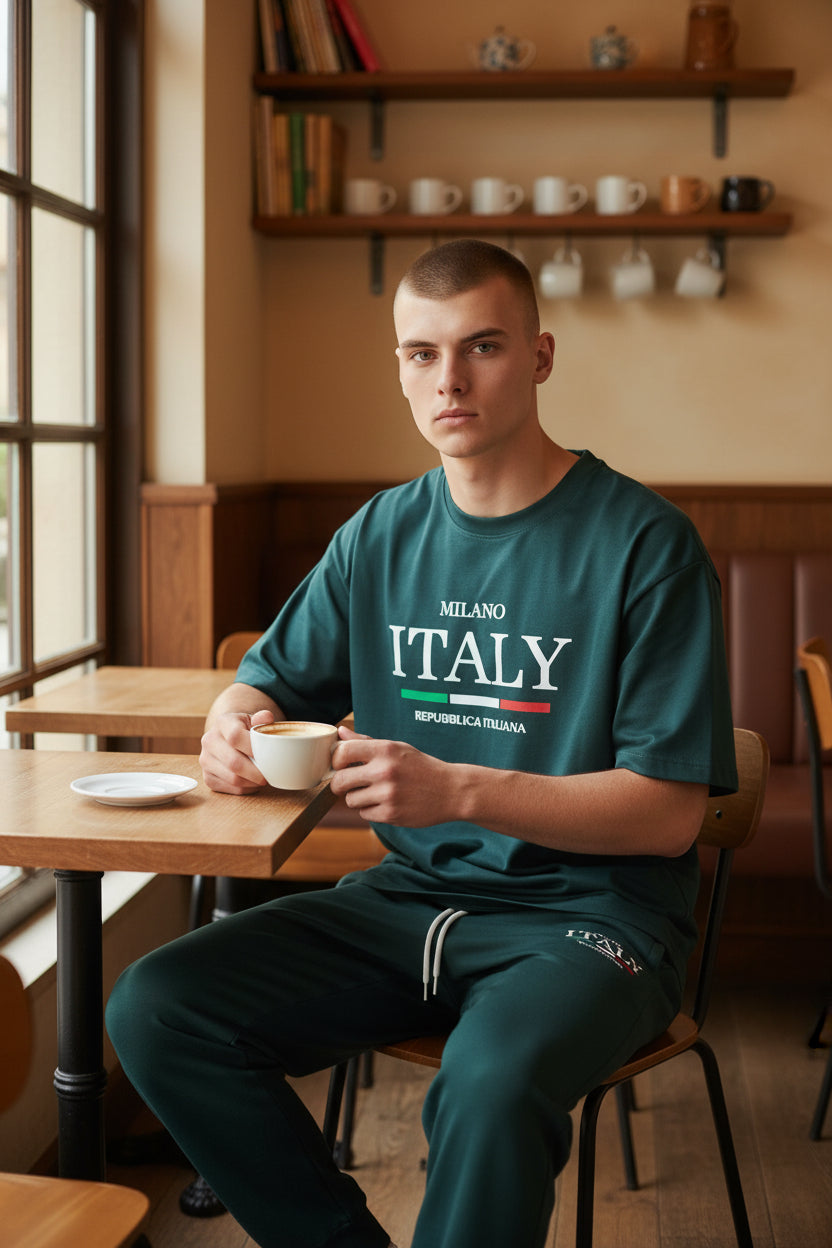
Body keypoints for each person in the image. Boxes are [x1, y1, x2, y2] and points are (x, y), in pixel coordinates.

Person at [106, 239, 737, 1248]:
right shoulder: (379, 534)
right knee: (156, 1007)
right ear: (399, 367)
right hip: (406, 908)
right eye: (420, 353)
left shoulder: (643, 545)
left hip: (592, 917)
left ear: (538, 355)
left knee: (485, 1090)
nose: (448, 379)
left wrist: (458, 791)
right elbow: (266, 677)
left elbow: (667, 817)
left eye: (480, 346)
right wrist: (232, 718)